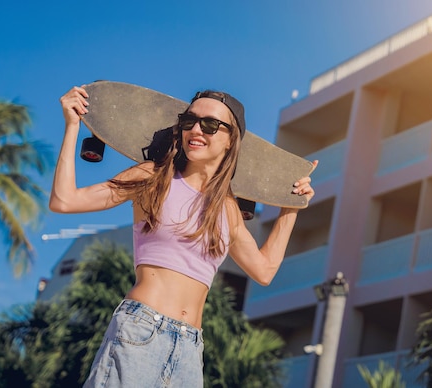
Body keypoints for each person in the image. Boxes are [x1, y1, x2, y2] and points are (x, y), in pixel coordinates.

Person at [50, 85, 317, 388]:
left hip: (190, 348)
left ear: (231, 140)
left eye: (211, 124)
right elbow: (64, 200)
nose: (196, 130)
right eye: (189, 121)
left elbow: (264, 270)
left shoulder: (226, 208)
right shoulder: (152, 177)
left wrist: (291, 207)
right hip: (140, 331)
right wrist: (72, 126)